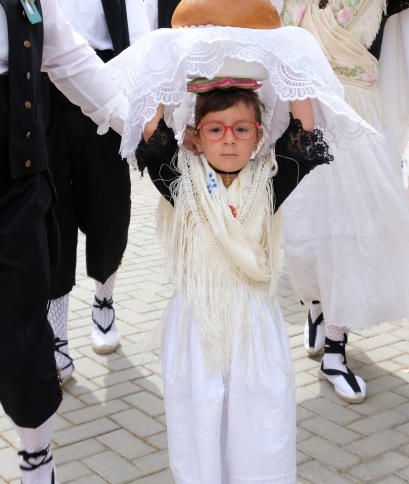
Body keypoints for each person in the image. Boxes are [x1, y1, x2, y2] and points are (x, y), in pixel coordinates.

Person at [281, 0, 409, 403]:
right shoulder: (288, 3)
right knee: (300, 234)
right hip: (300, 124)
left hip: (356, 123)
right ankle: (314, 305)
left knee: (349, 236)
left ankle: (336, 345)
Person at [136, 83, 332, 484]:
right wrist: (166, 73)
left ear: (259, 135)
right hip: (197, 326)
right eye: (215, 129)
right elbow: (152, 134)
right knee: (198, 423)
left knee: (261, 423)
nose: (229, 140)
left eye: (242, 130)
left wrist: (294, 72)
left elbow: (303, 132)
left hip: (253, 328)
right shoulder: (183, 182)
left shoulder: (271, 180)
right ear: (195, 134)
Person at [0, 0, 127, 484]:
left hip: (16, 178)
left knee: (23, 318)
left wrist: (137, 123)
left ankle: (36, 452)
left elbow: (71, 57)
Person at [20, 0, 149, 380]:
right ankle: (56, 330)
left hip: (102, 103)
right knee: (50, 219)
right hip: (37, 107)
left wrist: (139, 115)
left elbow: (139, 46)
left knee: (109, 210)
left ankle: (104, 300)